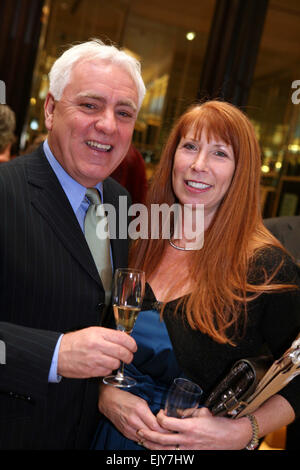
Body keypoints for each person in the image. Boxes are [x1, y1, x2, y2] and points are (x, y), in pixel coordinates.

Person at [92, 100, 300, 450]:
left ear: (241, 171)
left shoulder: (265, 267)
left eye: (219, 154)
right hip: (102, 435)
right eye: (189, 147)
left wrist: (242, 431)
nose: (198, 165)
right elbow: (88, 339)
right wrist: (102, 391)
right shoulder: (138, 238)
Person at [0, 39, 146, 449]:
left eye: (124, 113)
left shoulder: (120, 202)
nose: (107, 125)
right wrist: (53, 354)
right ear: (50, 109)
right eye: (89, 105)